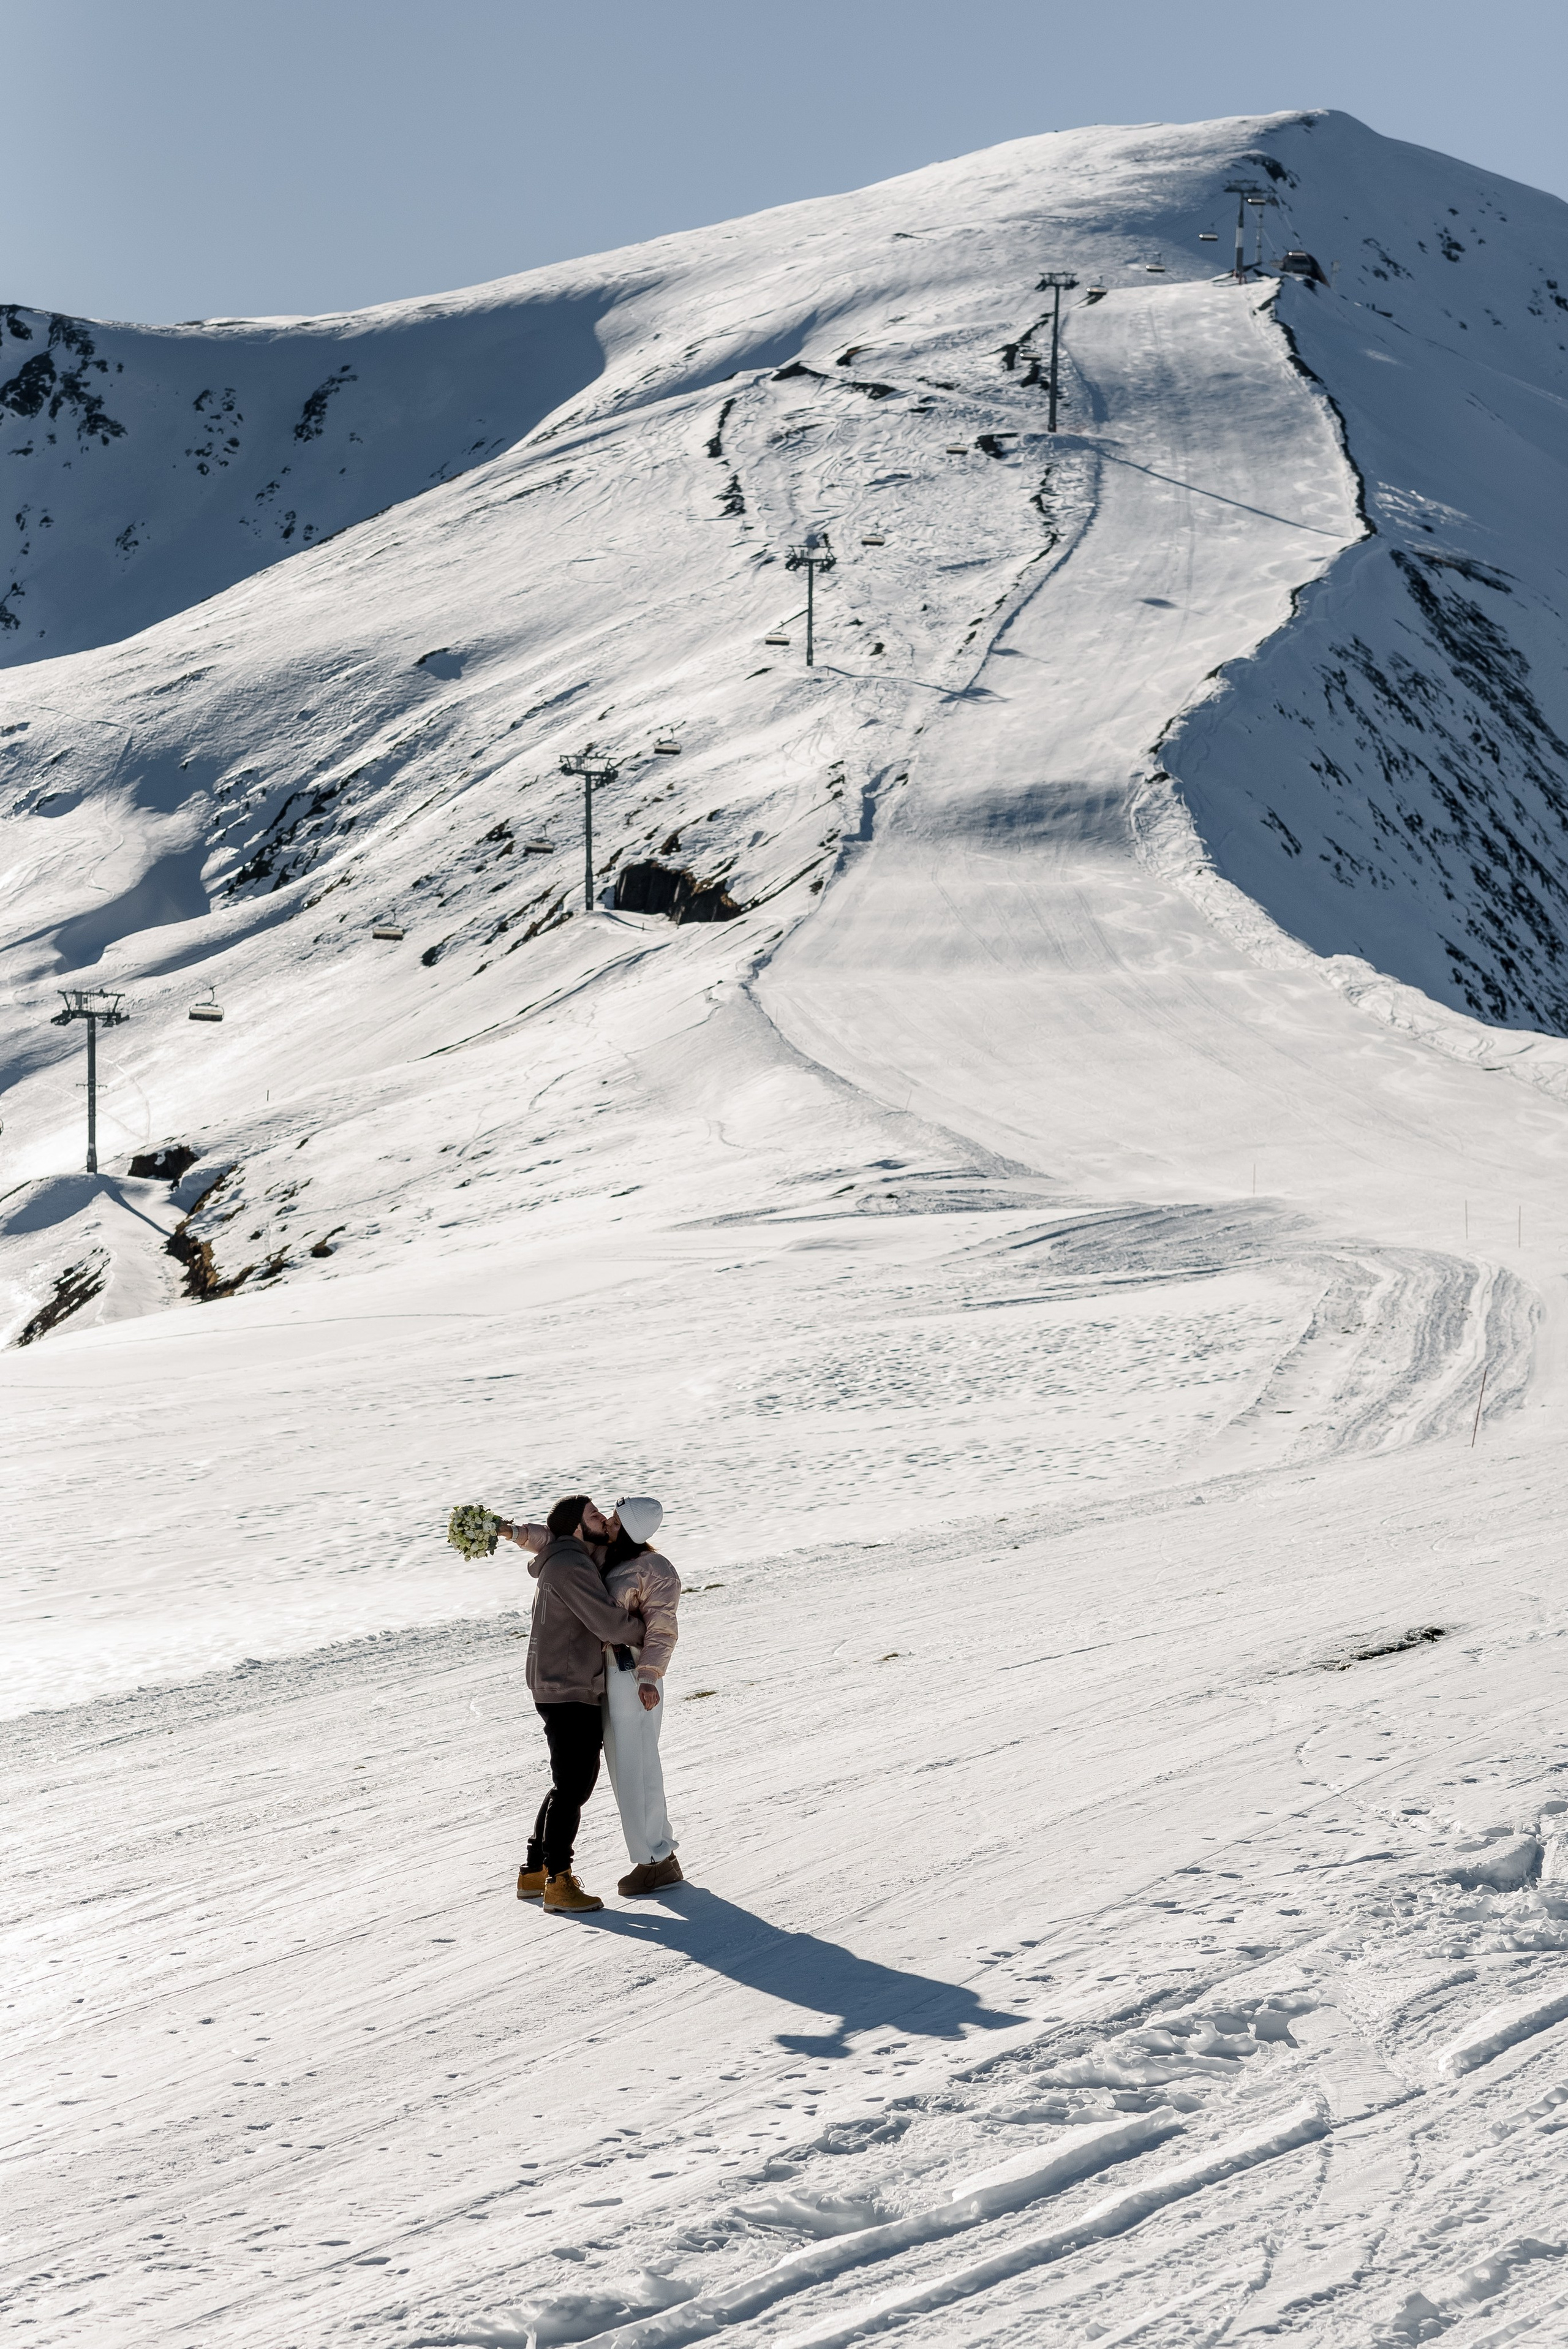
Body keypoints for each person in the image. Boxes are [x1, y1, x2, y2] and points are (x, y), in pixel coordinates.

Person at [501, 1494, 644, 1916]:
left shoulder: (565, 1555)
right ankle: (559, 1882)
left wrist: (514, 1531)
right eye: (594, 1515)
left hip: (558, 1682)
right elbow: (607, 1623)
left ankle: (535, 1871)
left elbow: (548, 1535)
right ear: (577, 1528)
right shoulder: (571, 1566)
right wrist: (649, 1627)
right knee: (573, 1787)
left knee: (567, 1784)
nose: (602, 1520)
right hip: (568, 1685)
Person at [599, 1496, 684, 1897]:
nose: (608, 1524)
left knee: (639, 1766)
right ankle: (661, 1853)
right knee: (627, 1766)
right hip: (611, 1674)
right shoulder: (612, 1559)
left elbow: (662, 1629)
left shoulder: (656, 1570)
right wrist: (511, 1532)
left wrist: (649, 1676)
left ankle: (653, 1861)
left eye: (616, 1521)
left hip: (634, 1676)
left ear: (632, 1531)